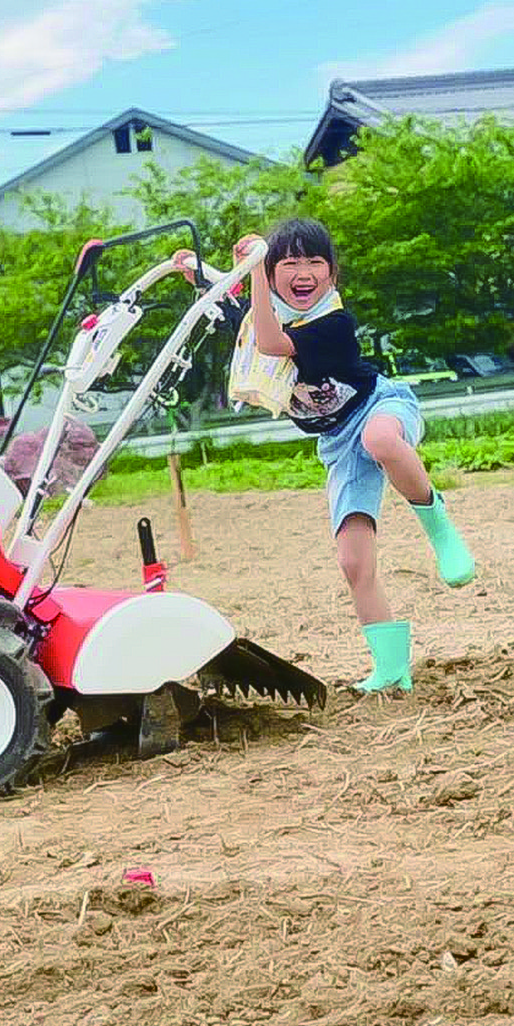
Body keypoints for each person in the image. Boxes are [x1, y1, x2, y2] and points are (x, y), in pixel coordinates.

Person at [177, 218, 475, 694]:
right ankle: (393, 669)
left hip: (380, 407)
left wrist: (254, 270)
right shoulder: (260, 314)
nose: (304, 272)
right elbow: (233, 304)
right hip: (337, 443)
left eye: (315, 262)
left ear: (332, 275)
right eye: (289, 262)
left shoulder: (334, 324)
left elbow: (272, 345)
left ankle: (439, 526)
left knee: (379, 440)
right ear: (273, 275)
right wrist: (195, 269)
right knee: (354, 562)